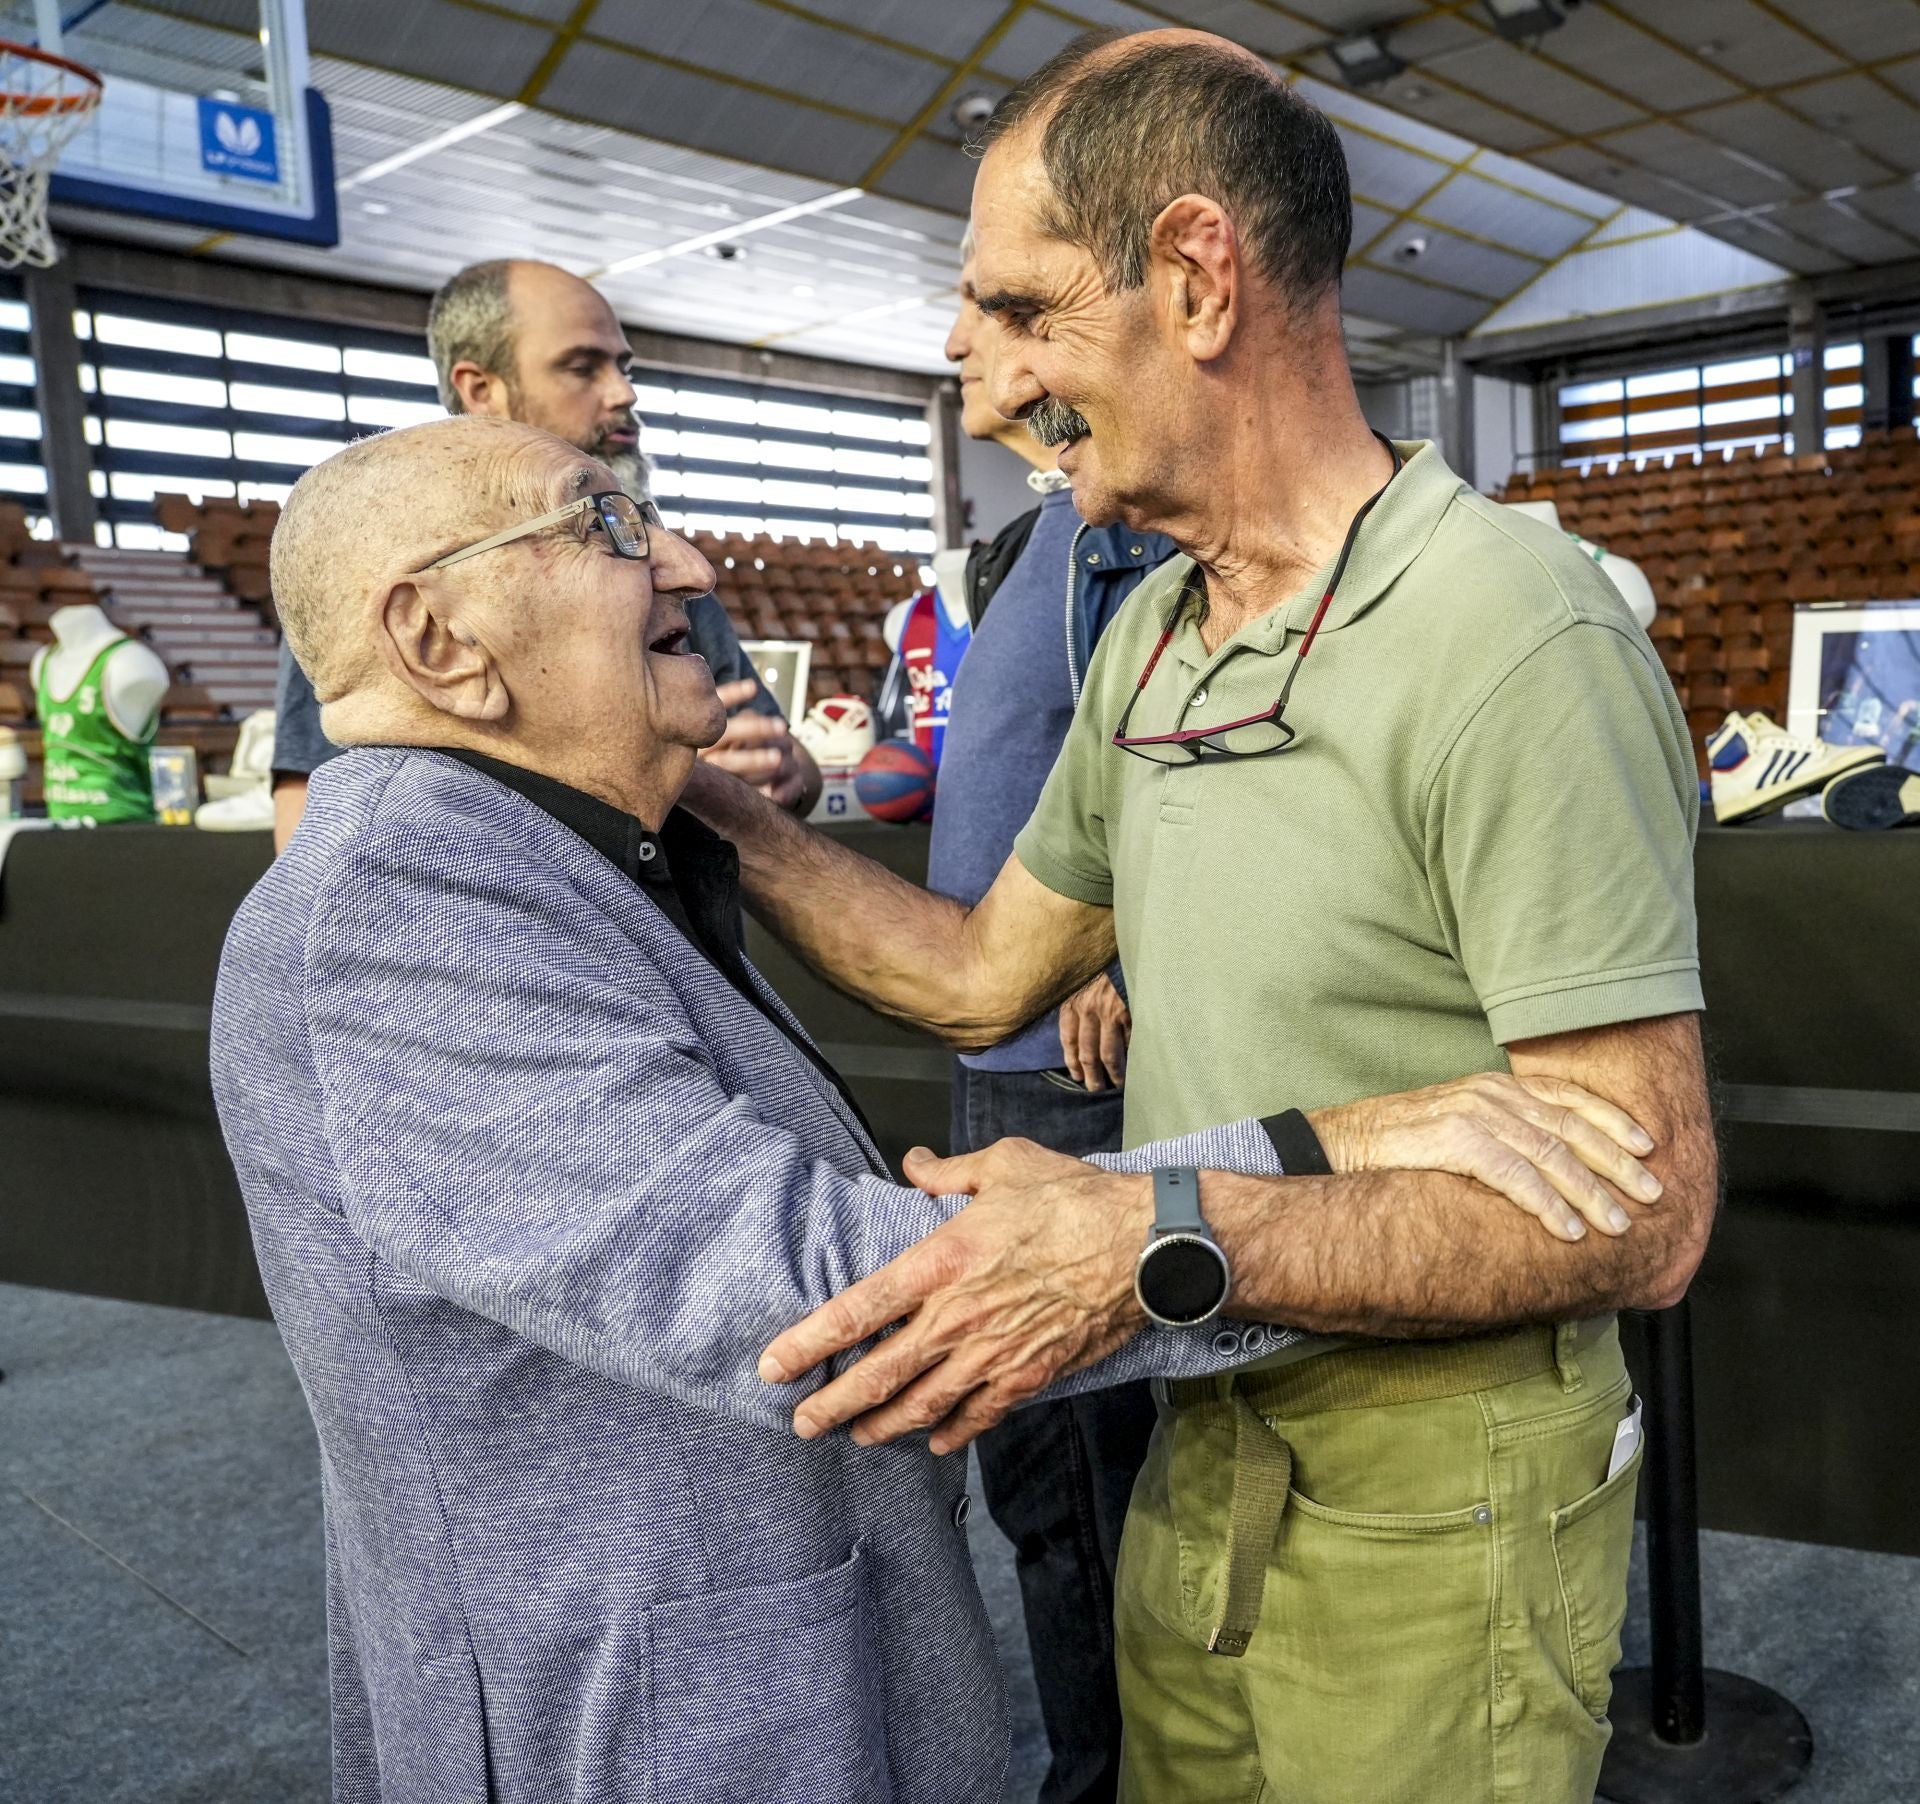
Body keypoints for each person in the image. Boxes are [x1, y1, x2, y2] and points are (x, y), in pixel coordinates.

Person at [212, 415, 1666, 1801]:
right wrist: (1323, 1149)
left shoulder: (570, 858)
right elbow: (816, 1294)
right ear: (436, 640)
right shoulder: (399, 907)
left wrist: (717, 813)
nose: (690, 569)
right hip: (651, 1726)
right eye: (606, 524)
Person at [678, 30, 1716, 1804]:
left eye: (1016, 306)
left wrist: (1155, 1236)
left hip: (1435, 1482)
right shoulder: (1158, 634)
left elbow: (1649, 1208)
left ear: (1197, 275)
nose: (968, 361)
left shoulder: (1513, 631)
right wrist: (701, 801)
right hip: (1204, 1410)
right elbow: (977, 968)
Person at [918, 235, 1177, 1804]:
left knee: (1079, 1484)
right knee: (1056, 1481)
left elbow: (1175, 761)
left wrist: (1115, 953)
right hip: (998, 1054)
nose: (960, 348)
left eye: (990, 319)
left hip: (1063, 1073)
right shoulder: (1040, 534)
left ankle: (1116, 1780)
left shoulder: (1112, 535)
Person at [269, 258, 817, 851]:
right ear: (480, 389)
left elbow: (791, 768)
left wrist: (774, 768)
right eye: (582, 368)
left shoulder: (648, 567)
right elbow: (310, 828)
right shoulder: (373, 564)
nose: (624, 392)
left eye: (622, 366)